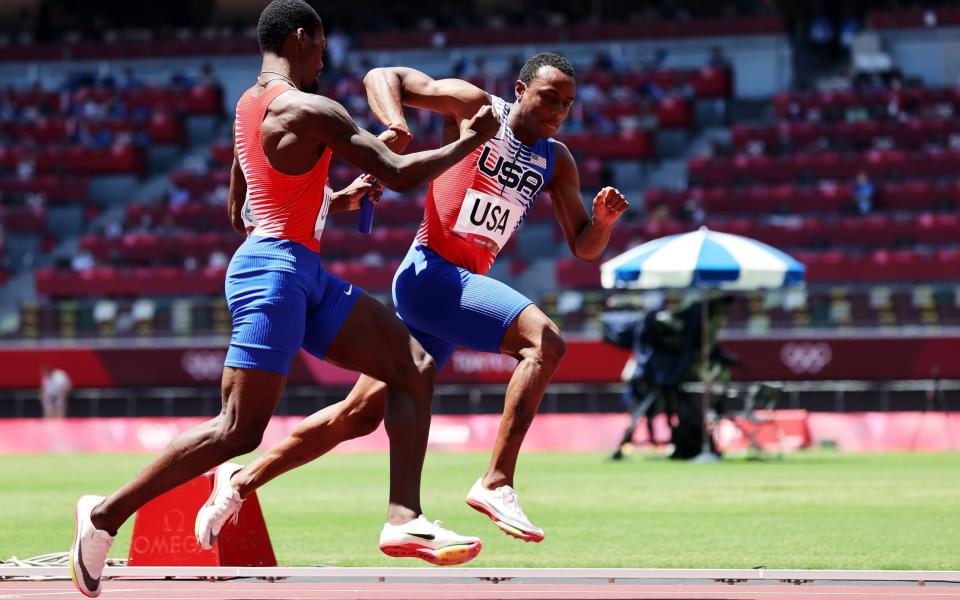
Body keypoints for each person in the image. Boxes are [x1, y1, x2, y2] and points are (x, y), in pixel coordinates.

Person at [69, 1, 500, 596]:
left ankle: (405, 518)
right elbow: (400, 172)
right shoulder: (310, 107)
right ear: (302, 38)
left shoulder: (248, 105)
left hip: (297, 268)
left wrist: (335, 200)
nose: (324, 60)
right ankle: (102, 517)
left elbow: (241, 209)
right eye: (321, 48)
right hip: (275, 274)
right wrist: (469, 142)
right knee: (238, 431)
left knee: (412, 368)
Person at [194, 52, 629, 551]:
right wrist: (397, 125)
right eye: (548, 98)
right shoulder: (474, 107)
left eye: (567, 104)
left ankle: (238, 483)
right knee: (544, 342)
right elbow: (385, 76)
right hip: (431, 275)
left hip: (457, 294)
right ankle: (496, 482)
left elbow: (582, 245)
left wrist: (602, 223)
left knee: (356, 416)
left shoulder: (557, 159)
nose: (557, 111)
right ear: (519, 90)